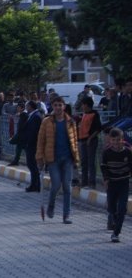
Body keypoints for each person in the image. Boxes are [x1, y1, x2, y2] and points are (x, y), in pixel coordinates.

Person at [36, 96, 80, 224]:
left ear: (64, 106)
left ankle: (66, 215)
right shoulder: (46, 122)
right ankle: (51, 205)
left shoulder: (70, 121)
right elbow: (41, 141)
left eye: (60, 105)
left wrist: (76, 158)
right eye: (55, 105)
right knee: (55, 185)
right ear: (52, 107)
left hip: (67, 159)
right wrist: (39, 158)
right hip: (52, 158)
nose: (58, 108)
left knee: (67, 187)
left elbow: (74, 141)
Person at [101, 128, 132, 243]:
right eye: (113, 140)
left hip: (123, 182)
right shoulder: (106, 153)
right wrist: (106, 179)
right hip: (112, 183)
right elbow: (103, 167)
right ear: (110, 140)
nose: (116, 143)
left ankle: (116, 233)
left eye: (118, 140)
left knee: (122, 208)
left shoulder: (128, 152)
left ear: (122, 140)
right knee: (111, 208)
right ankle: (113, 219)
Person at [77, 97, 103, 189]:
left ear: (87, 105)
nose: (82, 106)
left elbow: (98, 128)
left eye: (83, 104)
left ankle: (92, 182)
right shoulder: (84, 114)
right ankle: (84, 182)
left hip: (90, 140)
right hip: (82, 140)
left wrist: (90, 138)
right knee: (84, 162)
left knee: (91, 162)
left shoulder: (94, 114)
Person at [22, 101, 43, 192]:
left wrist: (28, 142)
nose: (26, 108)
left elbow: (34, 132)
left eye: (26, 106)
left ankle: (36, 185)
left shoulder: (36, 116)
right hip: (30, 144)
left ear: (30, 106)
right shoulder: (33, 115)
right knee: (31, 165)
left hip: (33, 145)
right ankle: (34, 183)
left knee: (33, 165)